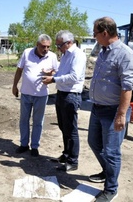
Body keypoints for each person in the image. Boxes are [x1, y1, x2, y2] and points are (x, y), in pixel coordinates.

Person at [87, 17, 133, 202]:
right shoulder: (103, 51)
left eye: (95, 33)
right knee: (94, 142)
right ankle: (107, 172)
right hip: (97, 108)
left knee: (111, 151)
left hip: (113, 111)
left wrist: (121, 115)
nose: (94, 37)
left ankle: (111, 189)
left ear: (105, 33)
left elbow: (127, 87)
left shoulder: (124, 53)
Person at [42, 30, 86, 172]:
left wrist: (53, 79)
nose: (58, 48)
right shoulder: (66, 55)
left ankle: (73, 161)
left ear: (68, 43)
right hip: (62, 94)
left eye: (59, 45)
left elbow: (73, 77)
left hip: (71, 95)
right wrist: (53, 74)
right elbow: (63, 73)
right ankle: (66, 154)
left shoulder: (77, 55)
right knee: (63, 126)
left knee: (71, 129)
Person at [12, 34, 58, 157]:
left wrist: (51, 73)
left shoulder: (52, 56)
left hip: (41, 95)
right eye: (43, 46)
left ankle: (35, 146)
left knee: (38, 122)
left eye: (48, 47)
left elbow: (58, 73)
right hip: (26, 93)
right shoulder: (27, 53)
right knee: (24, 120)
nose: (46, 49)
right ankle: (23, 144)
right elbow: (19, 70)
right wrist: (14, 86)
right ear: (37, 45)